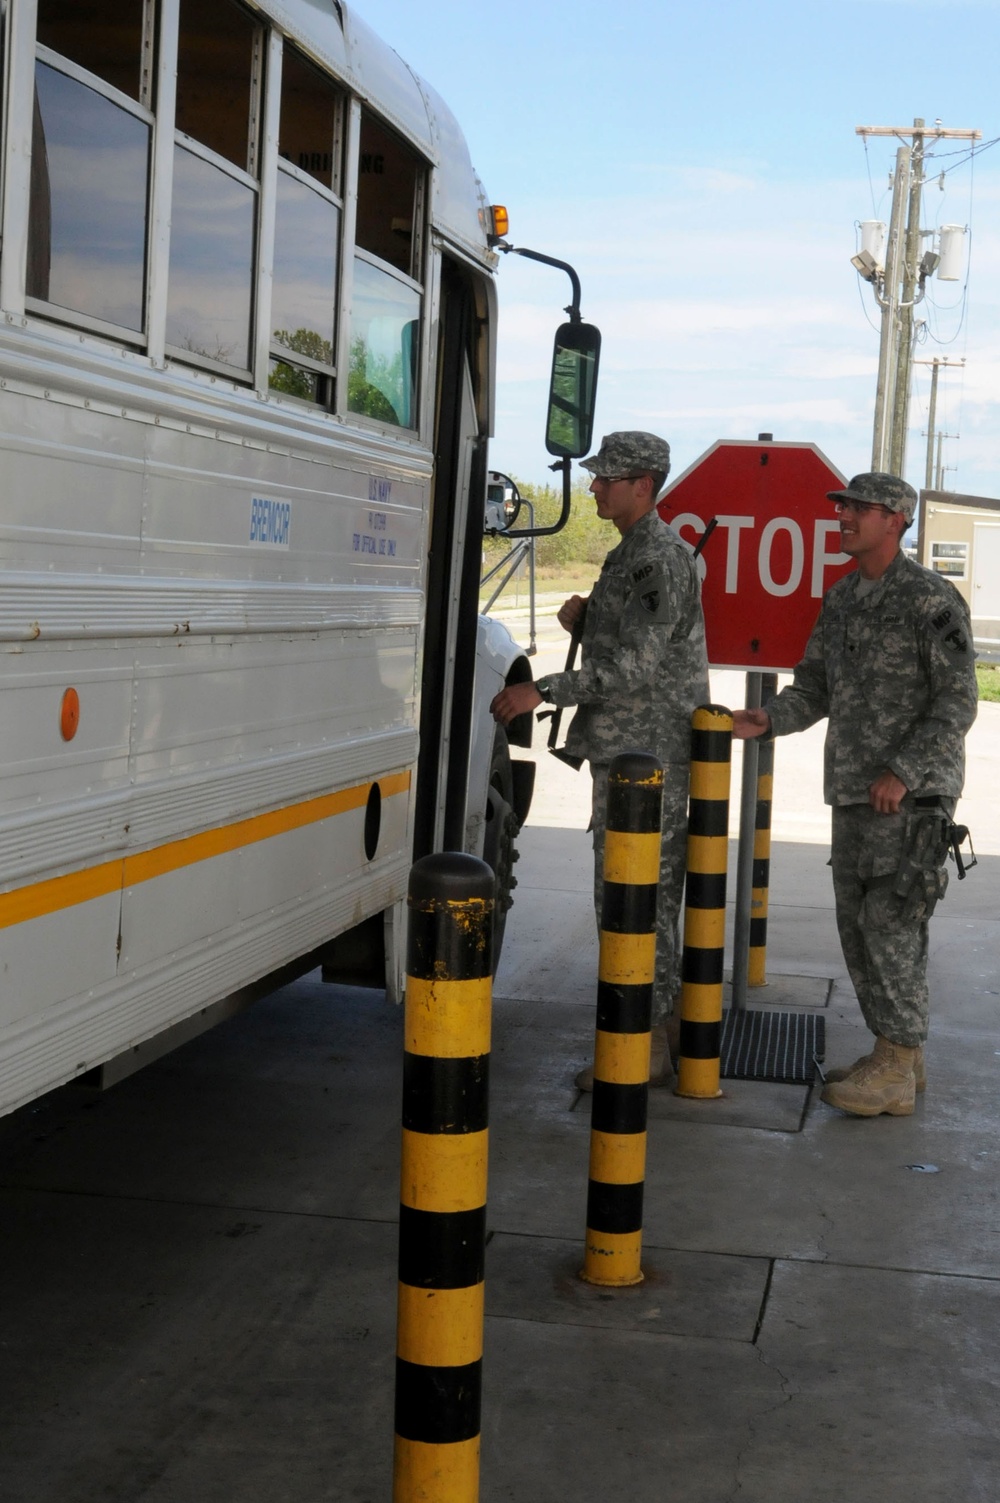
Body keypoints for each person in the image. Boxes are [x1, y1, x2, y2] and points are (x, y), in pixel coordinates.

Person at [733, 471, 978, 1117]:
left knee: (890, 923)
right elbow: (813, 685)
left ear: (896, 519)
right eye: (841, 506)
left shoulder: (931, 599)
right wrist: (769, 719)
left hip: (909, 797)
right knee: (859, 925)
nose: (843, 516)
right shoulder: (843, 597)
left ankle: (894, 1064)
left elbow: (958, 699)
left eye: (858, 508)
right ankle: (900, 1054)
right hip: (853, 793)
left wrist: (904, 769)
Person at [490, 431, 710, 1087]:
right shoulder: (631, 556)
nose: (593, 487)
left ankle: (639, 1044)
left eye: (606, 478)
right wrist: (585, 622)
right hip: (628, 755)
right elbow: (638, 646)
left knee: (633, 904)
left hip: (648, 760)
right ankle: (657, 1033)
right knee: (635, 900)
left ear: (643, 484)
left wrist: (542, 689)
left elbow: (636, 668)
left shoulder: (657, 560)